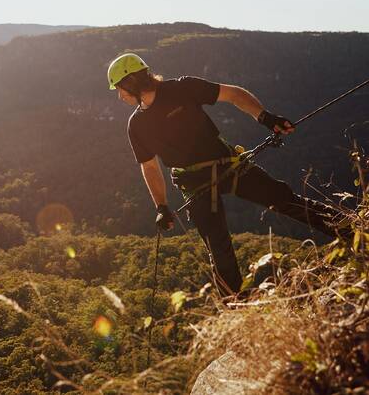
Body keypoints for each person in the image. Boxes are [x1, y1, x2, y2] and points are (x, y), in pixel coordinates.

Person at [108, 52, 345, 296]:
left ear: (131, 84)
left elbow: (233, 94)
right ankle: (236, 307)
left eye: (120, 89)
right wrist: (161, 206)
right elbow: (148, 166)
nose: (119, 95)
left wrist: (265, 117)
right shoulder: (136, 124)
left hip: (227, 165)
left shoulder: (183, 88)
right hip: (194, 182)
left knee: (283, 199)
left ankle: (352, 230)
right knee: (218, 248)